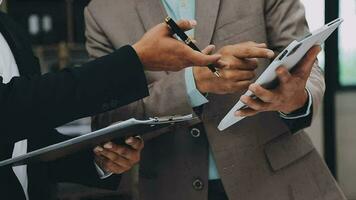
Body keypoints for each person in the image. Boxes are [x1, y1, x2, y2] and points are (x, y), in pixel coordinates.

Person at [86, 0, 346, 200]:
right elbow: (108, 119)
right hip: (169, 188)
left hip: (280, 184)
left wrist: (296, 97)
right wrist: (192, 83)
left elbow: (305, 63)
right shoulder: (101, 12)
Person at [0, 3, 222, 200]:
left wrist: (98, 161)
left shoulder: (9, 29)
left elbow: (26, 138)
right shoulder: (101, 12)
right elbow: (9, 107)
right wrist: (135, 60)